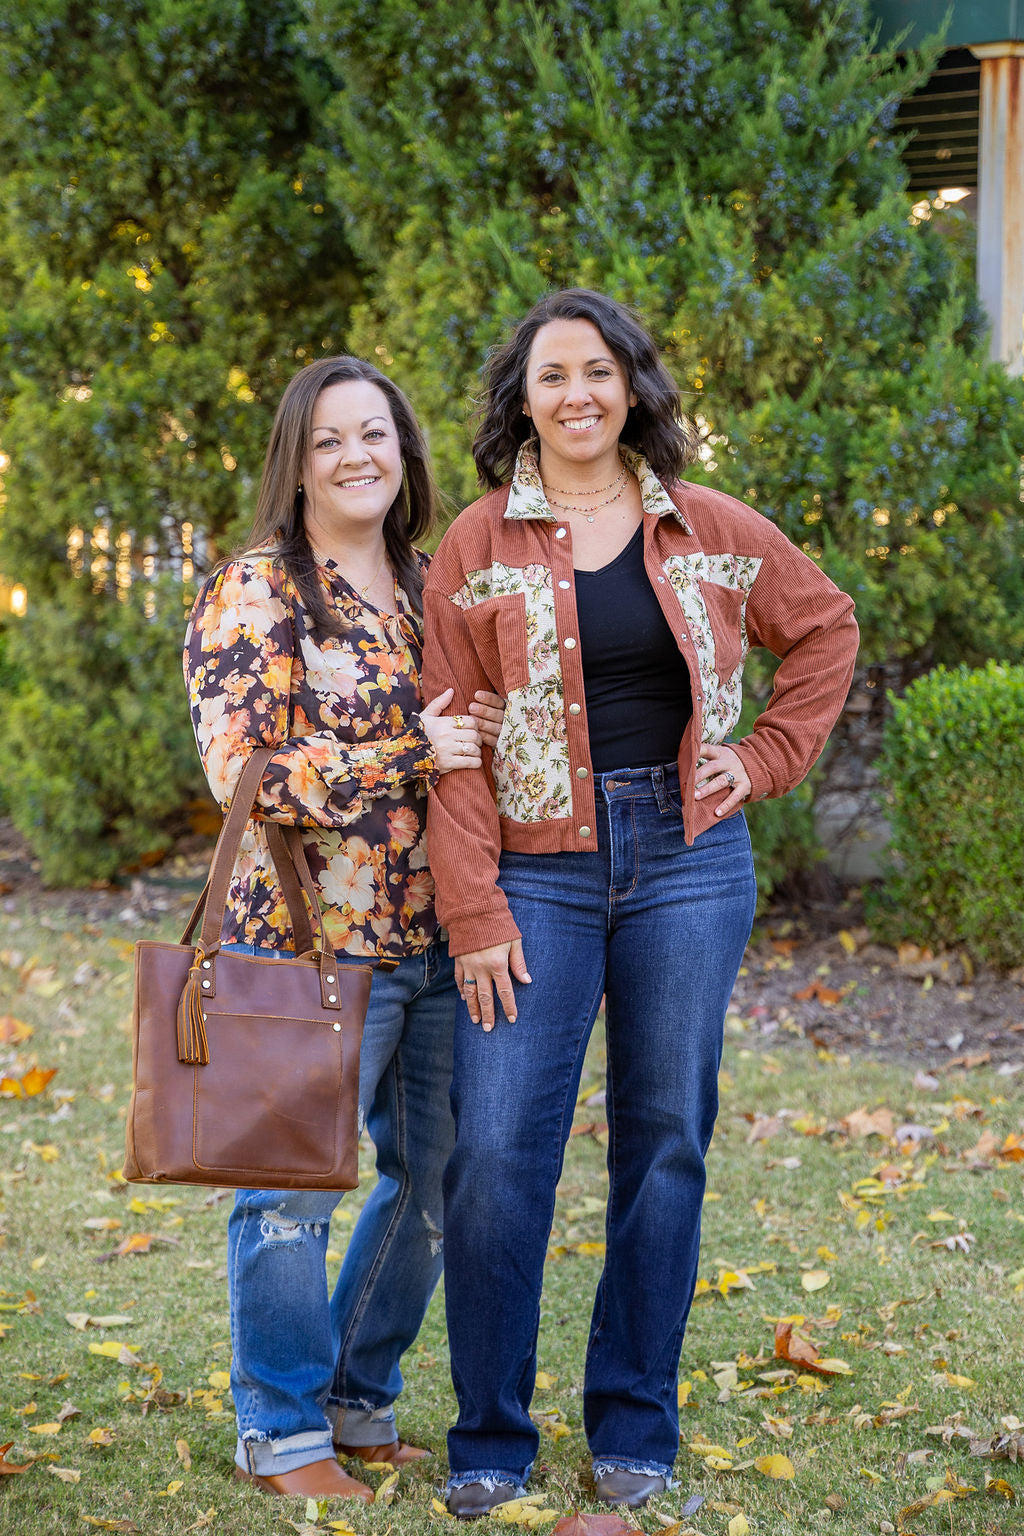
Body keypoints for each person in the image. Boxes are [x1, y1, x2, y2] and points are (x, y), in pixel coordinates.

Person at [422, 289, 859, 1517]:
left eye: (599, 372)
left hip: (687, 862)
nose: (577, 394)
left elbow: (823, 628)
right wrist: (473, 912)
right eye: (552, 374)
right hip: (530, 871)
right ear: (522, 398)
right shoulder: (475, 544)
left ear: (632, 389)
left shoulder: (709, 527)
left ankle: (632, 1426)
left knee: (664, 1143)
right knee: (499, 1153)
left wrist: (763, 758)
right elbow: (452, 742)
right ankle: (490, 1437)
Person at [184, 355, 504, 1502]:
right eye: (329, 440)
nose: (356, 455)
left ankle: (355, 1399)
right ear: (296, 460)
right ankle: (278, 1432)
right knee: (289, 1190)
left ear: (405, 451)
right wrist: (410, 752)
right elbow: (242, 774)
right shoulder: (258, 589)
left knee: (438, 1178)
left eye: (375, 434)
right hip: (307, 942)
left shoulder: (435, 584)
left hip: (436, 939)